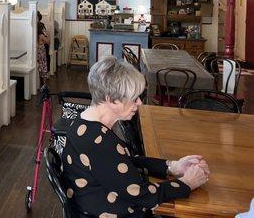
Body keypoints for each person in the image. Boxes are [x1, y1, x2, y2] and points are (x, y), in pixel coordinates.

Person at [62, 56, 210, 218]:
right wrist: (186, 183)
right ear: (110, 99)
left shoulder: (86, 123)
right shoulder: (98, 142)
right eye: (134, 98)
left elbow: (123, 162)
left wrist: (171, 166)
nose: (139, 103)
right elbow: (142, 196)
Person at [37, 11, 49, 86]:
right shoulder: (41, 35)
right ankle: (44, 84)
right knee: (43, 66)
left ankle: (42, 83)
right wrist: (47, 34)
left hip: (36, 51)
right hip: (41, 52)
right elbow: (48, 41)